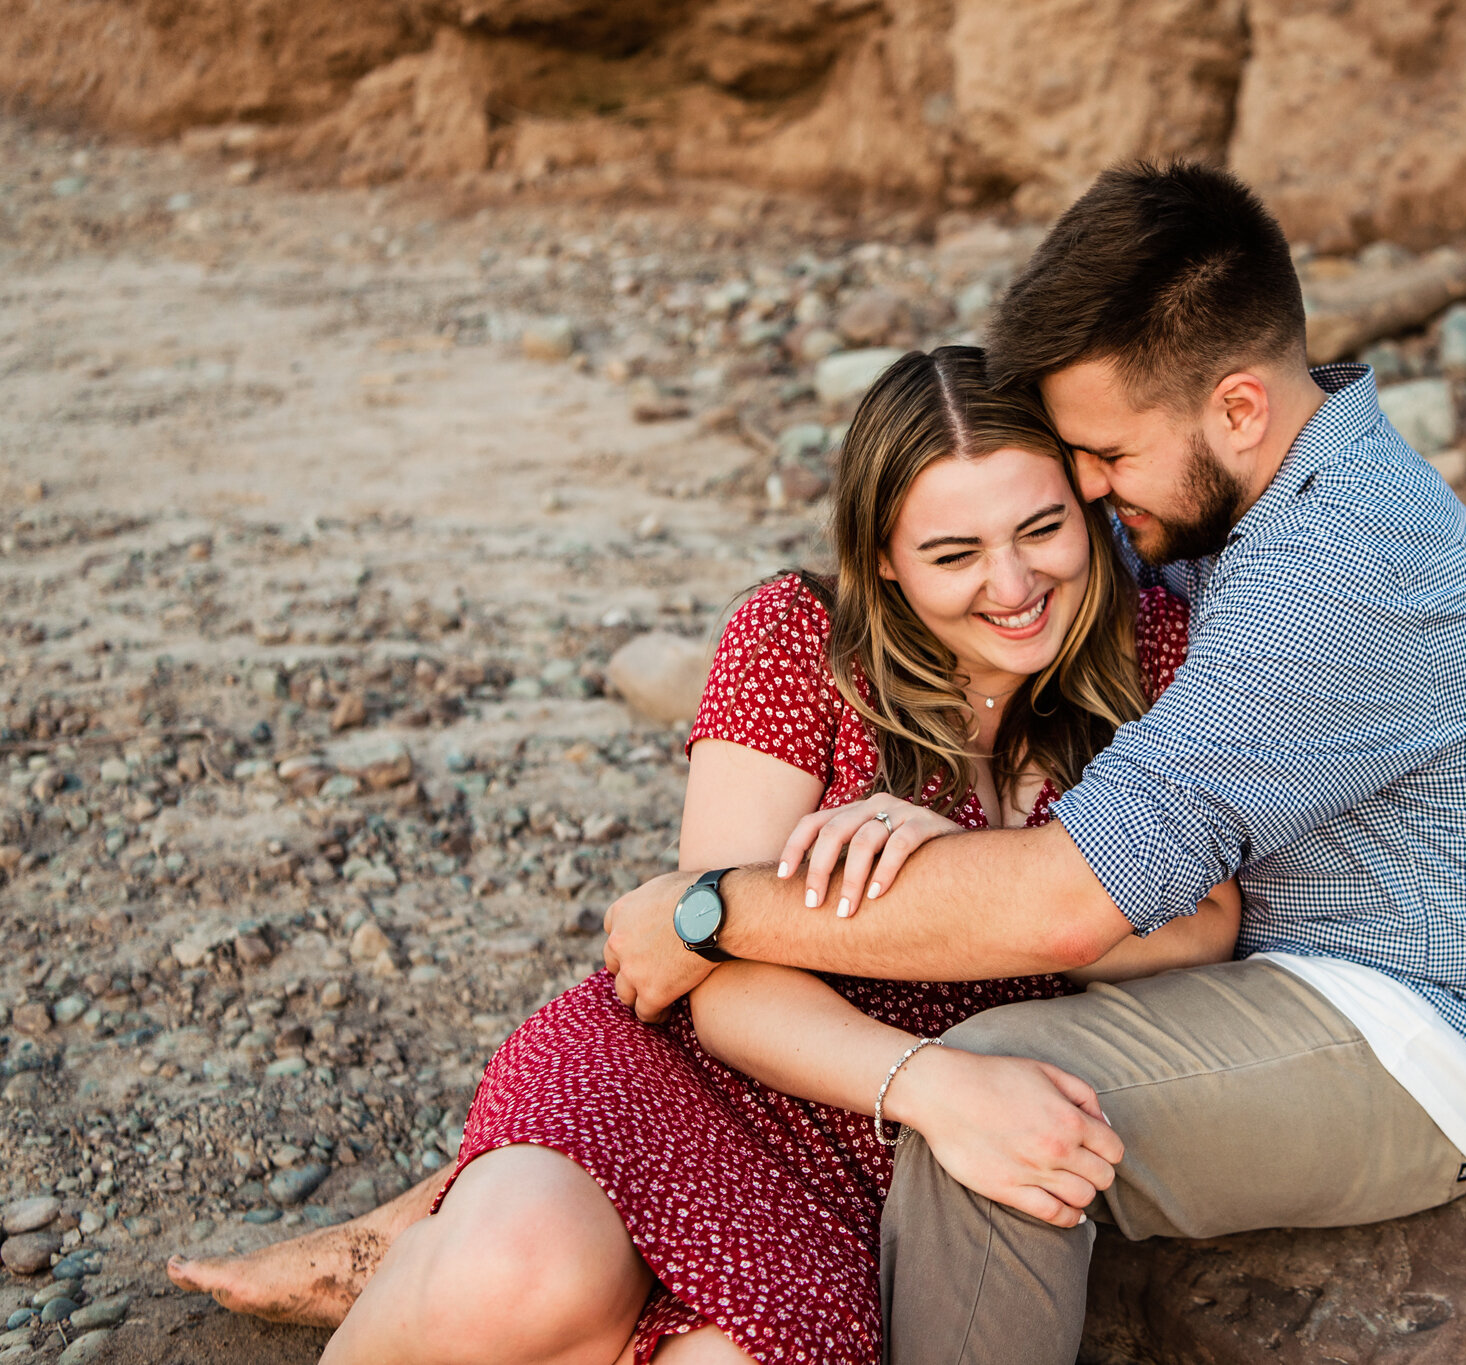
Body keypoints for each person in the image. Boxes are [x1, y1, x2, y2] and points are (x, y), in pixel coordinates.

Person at [599, 161, 1466, 1365]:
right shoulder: (1235, 498)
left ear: (1237, 410)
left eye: (1104, 454)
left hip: (1407, 1033)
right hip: (1248, 972)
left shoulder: (1338, 569)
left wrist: (709, 913)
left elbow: (1064, 905)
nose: (1092, 494)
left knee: (1005, 1094)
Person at [168, 345, 1238, 1364]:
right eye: (953, 554)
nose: (1011, 585)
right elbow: (711, 969)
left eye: (1040, 528)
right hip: (706, 1074)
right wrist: (937, 1086)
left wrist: (965, 860)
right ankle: (436, 1244)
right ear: (882, 560)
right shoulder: (797, 641)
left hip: (860, 1174)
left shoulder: (1155, 649)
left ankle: (415, 1239)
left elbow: (1202, 922)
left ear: (1085, 504)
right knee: (511, 1279)